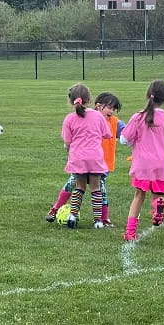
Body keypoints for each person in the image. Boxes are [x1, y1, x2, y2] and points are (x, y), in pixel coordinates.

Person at [45, 92, 124, 227]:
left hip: (97, 163)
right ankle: (56, 209)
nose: (112, 111)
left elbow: (126, 133)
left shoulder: (115, 122)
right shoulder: (91, 117)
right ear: (98, 106)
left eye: (114, 109)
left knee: (98, 190)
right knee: (74, 186)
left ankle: (103, 218)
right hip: (94, 161)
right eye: (109, 107)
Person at [120, 80, 164, 241]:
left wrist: (135, 141)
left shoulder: (138, 116)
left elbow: (124, 139)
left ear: (148, 95)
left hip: (143, 164)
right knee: (157, 193)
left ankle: (130, 232)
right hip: (162, 163)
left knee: (139, 196)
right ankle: (158, 205)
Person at [61, 84, 112, 229]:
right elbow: (107, 134)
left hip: (78, 158)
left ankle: (72, 215)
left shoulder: (69, 119)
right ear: (89, 100)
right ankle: (98, 221)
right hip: (95, 157)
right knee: (96, 188)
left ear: (71, 101)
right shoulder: (97, 116)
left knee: (79, 187)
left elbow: (67, 142)